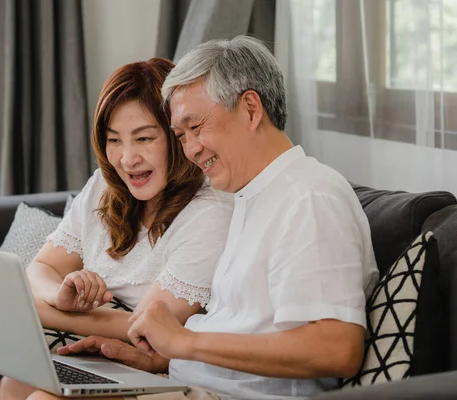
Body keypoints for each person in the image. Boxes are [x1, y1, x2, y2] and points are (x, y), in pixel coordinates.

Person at [40, 35, 379, 400]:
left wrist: (184, 343)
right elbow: (245, 327)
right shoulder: (251, 196)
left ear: (251, 109)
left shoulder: (309, 197)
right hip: (191, 382)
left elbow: (336, 350)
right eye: (180, 135)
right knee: (36, 384)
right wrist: (163, 360)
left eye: (196, 127)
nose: (189, 150)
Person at [0, 58, 233, 400]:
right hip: (96, 345)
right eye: (114, 140)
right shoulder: (106, 185)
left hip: (154, 358)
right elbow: (41, 268)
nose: (127, 159)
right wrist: (60, 295)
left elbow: (148, 328)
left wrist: (43, 310)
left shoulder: (209, 211)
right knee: (12, 383)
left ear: (178, 137)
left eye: (144, 138)